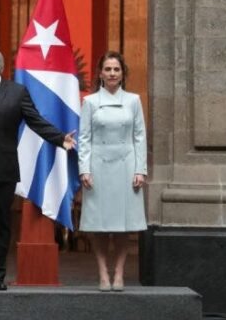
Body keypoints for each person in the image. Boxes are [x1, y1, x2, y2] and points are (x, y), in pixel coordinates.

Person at [0, 45, 76, 291]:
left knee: (0, 223)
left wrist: (61, 138)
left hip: (3, 169)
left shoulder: (17, 93)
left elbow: (35, 121)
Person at [78, 51, 147, 292]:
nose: (112, 73)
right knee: (99, 224)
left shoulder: (133, 100)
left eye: (116, 69)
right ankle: (102, 273)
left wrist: (140, 170)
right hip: (98, 167)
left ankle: (119, 273)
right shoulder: (90, 102)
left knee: (123, 224)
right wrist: (84, 169)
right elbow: (84, 138)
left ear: (123, 73)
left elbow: (140, 137)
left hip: (126, 167)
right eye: (107, 69)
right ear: (100, 73)